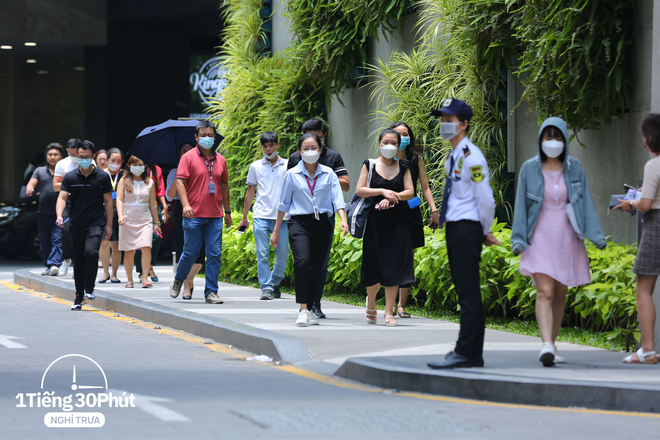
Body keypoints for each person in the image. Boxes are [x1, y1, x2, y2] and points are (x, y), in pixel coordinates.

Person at [512, 117, 606, 367]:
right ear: (540, 139)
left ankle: (551, 345)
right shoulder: (529, 169)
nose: (552, 142)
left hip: (566, 237)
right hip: (539, 236)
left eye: (557, 137)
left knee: (560, 293)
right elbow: (521, 206)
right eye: (547, 137)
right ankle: (545, 344)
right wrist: (518, 239)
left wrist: (596, 237)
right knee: (545, 291)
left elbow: (585, 204)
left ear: (565, 141)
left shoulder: (575, 168)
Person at [427, 98, 500, 369]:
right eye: (442, 121)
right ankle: (468, 351)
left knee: (468, 291)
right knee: (464, 289)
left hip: (467, 228)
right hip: (458, 227)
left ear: (464, 124)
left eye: (449, 121)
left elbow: (486, 198)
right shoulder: (455, 155)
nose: (444, 125)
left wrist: (484, 229)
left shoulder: (472, 156)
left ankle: (468, 352)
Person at [271, 133, 349, 326]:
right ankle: (303, 309)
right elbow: (283, 203)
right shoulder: (291, 174)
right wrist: (275, 230)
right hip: (299, 223)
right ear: (299, 152)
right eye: (305, 148)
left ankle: (313, 305)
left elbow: (337, 199)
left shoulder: (329, 173)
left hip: (322, 223)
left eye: (314, 148)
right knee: (302, 262)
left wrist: (343, 220)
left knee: (317, 266)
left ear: (320, 150)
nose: (310, 151)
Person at [356, 129, 415, 327]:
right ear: (379, 144)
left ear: (398, 146)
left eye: (393, 142)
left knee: (395, 264)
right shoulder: (369, 164)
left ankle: (389, 311)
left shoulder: (404, 166)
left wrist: (392, 198)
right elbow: (360, 190)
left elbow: (410, 192)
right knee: (374, 263)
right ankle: (371, 302)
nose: (389, 145)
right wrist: (382, 191)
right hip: (375, 223)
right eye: (385, 142)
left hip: (398, 222)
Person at [613, 113, 660, 364]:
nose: (643, 142)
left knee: (643, 290)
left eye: (644, 136)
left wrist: (630, 202)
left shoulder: (653, 165)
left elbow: (646, 205)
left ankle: (648, 350)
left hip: (656, 227)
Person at [169, 120, 231, 304]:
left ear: (214, 137)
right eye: (203, 135)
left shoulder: (221, 159)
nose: (207, 138)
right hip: (193, 215)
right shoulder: (187, 157)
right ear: (196, 137)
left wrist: (227, 211)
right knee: (190, 253)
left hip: (215, 216)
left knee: (214, 253)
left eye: (210, 135)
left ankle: (211, 292)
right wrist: (186, 205)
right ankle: (179, 279)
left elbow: (225, 186)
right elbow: (180, 183)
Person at [390, 121, 440, 318]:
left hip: (411, 208)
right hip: (390, 209)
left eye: (406, 133)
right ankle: (390, 303)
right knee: (392, 255)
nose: (403, 137)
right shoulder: (386, 158)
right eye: (398, 134)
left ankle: (401, 305)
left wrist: (434, 210)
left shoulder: (415, 158)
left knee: (408, 258)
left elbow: (425, 187)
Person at [56, 140, 112, 310]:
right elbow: (62, 197)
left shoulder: (102, 176)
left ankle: (90, 288)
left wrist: (109, 224)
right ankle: (79, 295)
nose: (84, 159)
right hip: (77, 223)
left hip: (96, 223)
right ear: (76, 156)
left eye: (87, 157)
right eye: (81, 156)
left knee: (91, 252)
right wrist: (59, 215)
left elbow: (108, 201)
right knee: (78, 260)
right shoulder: (70, 176)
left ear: (93, 156)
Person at [238, 132, 290, 300]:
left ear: (277, 145)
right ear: (261, 147)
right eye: (265, 146)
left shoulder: (288, 165)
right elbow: (250, 191)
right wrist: (244, 217)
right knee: (262, 253)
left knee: (282, 254)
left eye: (271, 145)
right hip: (260, 215)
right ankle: (266, 288)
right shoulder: (255, 166)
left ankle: (275, 282)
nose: (268, 149)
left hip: (282, 218)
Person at [166, 142, 205, 300]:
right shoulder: (174, 172)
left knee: (201, 252)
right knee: (183, 248)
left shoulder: (202, 168)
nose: (187, 153)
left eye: (190, 150)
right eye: (183, 151)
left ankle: (186, 280)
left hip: (200, 209)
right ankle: (188, 287)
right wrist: (178, 176)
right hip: (180, 210)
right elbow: (169, 195)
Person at [117, 156, 161, 288]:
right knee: (129, 251)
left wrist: (157, 223)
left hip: (145, 219)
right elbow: (119, 199)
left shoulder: (150, 182)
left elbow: (153, 204)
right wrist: (120, 215)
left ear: (145, 166)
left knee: (146, 247)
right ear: (129, 166)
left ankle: (145, 277)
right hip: (128, 218)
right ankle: (129, 280)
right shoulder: (124, 181)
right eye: (134, 164)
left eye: (140, 164)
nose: (137, 167)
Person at [54, 138, 94, 276]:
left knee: (82, 233)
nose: (74, 158)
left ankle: (79, 263)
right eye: (71, 155)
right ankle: (66, 259)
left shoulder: (90, 163)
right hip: (68, 200)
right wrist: (71, 181)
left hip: (84, 201)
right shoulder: (62, 164)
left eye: (76, 155)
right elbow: (55, 186)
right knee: (65, 230)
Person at [26, 143, 64, 275]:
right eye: (50, 154)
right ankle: (49, 265)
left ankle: (54, 264)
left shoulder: (65, 172)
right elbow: (32, 182)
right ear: (46, 156)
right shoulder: (39, 171)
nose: (52, 157)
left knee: (57, 239)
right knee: (45, 241)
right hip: (43, 213)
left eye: (55, 155)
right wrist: (29, 188)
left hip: (60, 213)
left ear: (61, 157)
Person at [135, 163, 169, 283]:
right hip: (138, 206)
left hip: (153, 206)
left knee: (156, 237)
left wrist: (164, 206)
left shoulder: (157, 169)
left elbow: (160, 190)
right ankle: (142, 271)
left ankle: (149, 265)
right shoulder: (137, 167)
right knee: (140, 239)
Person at [99, 148, 124, 284]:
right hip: (103, 212)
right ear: (107, 160)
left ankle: (114, 274)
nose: (115, 163)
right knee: (104, 243)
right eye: (112, 160)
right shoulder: (101, 174)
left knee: (116, 245)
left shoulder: (125, 175)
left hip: (119, 213)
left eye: (119, 161)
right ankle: (105, 273)